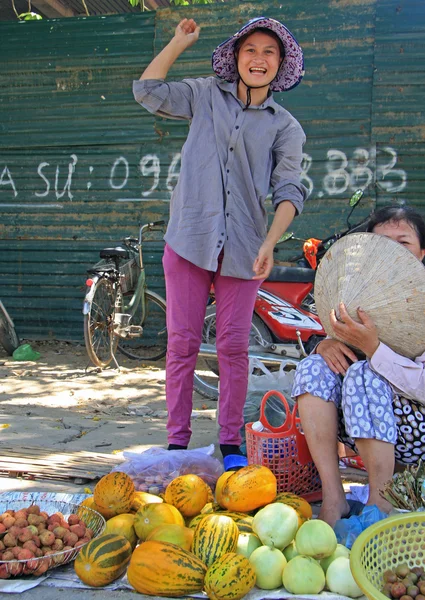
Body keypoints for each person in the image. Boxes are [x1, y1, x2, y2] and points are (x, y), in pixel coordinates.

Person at [133, 17, 308, 470]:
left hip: (247, 248)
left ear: (280, 66)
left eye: (270, 52)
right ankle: (178, 443)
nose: (259, 59)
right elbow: (148, 91)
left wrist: (271, 242)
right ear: (236, 58)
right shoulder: (205, 94)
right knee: (182, 343)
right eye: (250, 50)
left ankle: (230, 442)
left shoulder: (286, 127)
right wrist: (177, 42)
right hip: (189, 239)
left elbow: (290, 191)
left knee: (233, 347)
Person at [292, 205, 425, 526]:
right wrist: (325, 345)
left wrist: (375, 350)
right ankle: (334, 496)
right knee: (312, 368)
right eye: (383, 243)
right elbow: (331, 355)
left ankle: (381, 503)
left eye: (403, 242)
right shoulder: (357, 297)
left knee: (364, 373)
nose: (393, 251)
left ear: (421, 254)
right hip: (361, 424)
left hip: (416, 434)